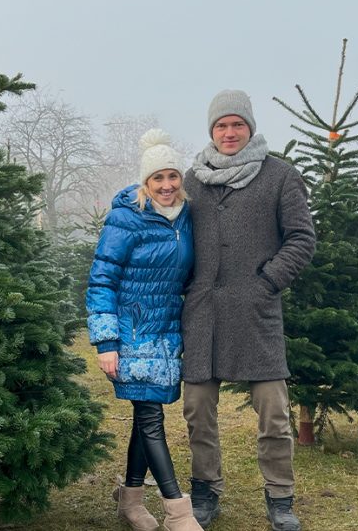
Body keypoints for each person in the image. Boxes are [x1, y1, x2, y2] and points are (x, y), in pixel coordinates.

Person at [181, 90, 316, 531]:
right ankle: (205, 491)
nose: (229, 132)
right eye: (221, 126)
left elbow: (301, 239)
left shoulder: (280, 176)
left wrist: (266, 283)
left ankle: (280, 498)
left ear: (250, 128)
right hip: (202, 315)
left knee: (274, 413)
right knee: (198, 411)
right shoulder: (192, 180)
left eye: (237, 124)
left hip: (256, 313)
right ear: (211, 131)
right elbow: (172, 236)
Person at [86, 129, 203, 531]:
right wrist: (106, 342)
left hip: (167, 332)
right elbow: (101, 281)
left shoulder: (187, 217)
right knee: (151, 418)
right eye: (158, 179)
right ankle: (178, 512)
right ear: (145, 182)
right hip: (133, 332)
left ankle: (131, 501)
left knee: (145, 416)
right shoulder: (126, 219)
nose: (167, 186)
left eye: (173, 177)